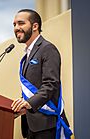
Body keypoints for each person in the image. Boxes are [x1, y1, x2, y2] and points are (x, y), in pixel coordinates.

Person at [11, 9, 72, 139]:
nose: (16, 28)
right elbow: (31, 89)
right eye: (14, 24)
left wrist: (29, 103)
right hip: (30, 126)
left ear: (35, 26)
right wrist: (22, 106)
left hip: (46, 125)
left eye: (21, 23)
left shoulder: (47, 49)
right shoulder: (27, 55)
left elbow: (51, 84)